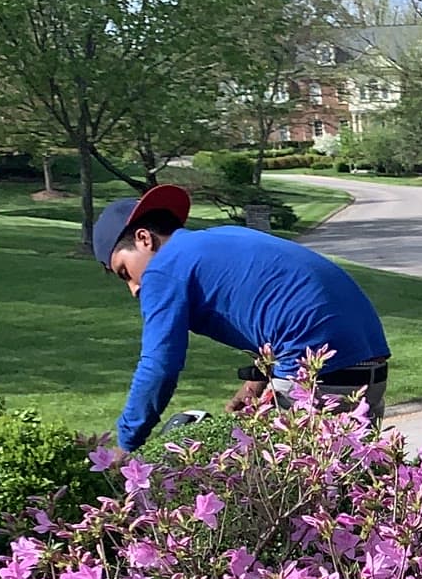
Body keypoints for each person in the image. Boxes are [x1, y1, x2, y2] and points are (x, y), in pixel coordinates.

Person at [94, 185, 391, 451]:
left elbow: (159, 366)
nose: (134, 288)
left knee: (262, 492)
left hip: (318, 380)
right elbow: (276, 304)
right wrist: (258, 382)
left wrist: (125, 443)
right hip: (368, 371)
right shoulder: (223, 237)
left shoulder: (164, 268)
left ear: (144, 239)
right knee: (350, 492)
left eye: (124, 272)